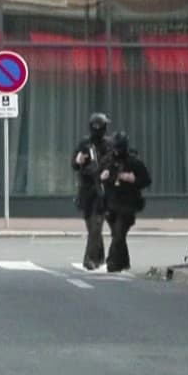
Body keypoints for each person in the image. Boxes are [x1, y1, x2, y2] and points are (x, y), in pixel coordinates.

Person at [97, 132, 151, 274]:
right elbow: (97, 178)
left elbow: (146, 180)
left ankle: (112, 264)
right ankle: (123, 262)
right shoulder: (106, 161)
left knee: (119, 233)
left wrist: (133, 180)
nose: (117, 151)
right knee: (117, 235)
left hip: (128, 204)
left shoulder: (133, 162)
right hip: (110, 204)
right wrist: (102, 177)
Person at [72, 112, 112, 270]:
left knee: (96, 225)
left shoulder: (109, 145)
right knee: (92, 227)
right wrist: (79, 160)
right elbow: (74, 163)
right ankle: (100, 258)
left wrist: (108, 172)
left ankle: (89, 260)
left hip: (102, 192)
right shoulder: (85, 144)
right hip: (87, 191)